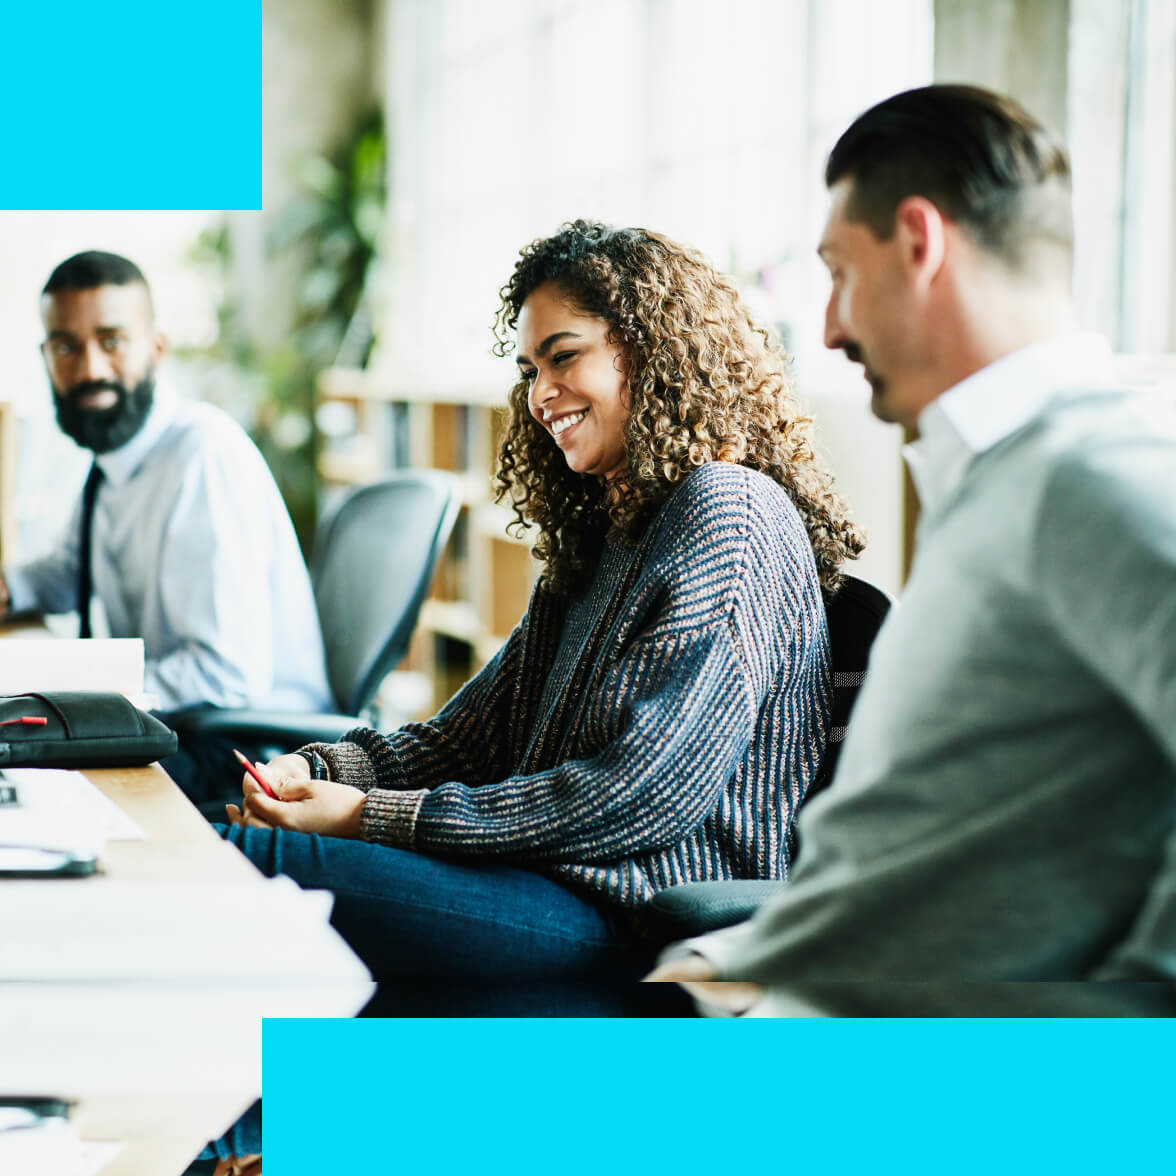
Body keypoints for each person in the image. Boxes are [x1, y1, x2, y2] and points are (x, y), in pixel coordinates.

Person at [217, 219, 865, 1012]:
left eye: (564, 356)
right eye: (530, 368)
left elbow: (641, 796)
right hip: (552, 887)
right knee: (247, 862)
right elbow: (466, 740)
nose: (541, 393)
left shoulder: (728, 514)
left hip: (640, 923)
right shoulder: (604, 536)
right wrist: (322, 772)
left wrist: (368, 817)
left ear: (652, 350)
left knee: (245, 864)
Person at [649, 84, 1176, 1017]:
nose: (830, 327)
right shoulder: (1006, 481)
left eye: (840, 274)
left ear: (921, 243)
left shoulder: (1090, 477)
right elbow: (958, 840)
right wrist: (756, 951)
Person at [0, 251, 332, 800]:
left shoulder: (202, 456)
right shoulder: (113, 463)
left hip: (251, 752)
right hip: (186, 727)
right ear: (46, 357)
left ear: (156, 348)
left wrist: (80, 695)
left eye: (111, 340)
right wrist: (13, 587)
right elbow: (69, 570)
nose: (90, 368)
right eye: (66, 346)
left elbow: (226, 675)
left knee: (38, 778)